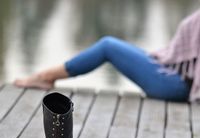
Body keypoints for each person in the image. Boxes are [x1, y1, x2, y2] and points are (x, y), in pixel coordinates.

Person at [14, 9, 200, 103]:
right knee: (111, 45)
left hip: (176, 85)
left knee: (108, 46)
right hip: (173, 73)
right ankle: (46, 76)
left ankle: (45, 77)